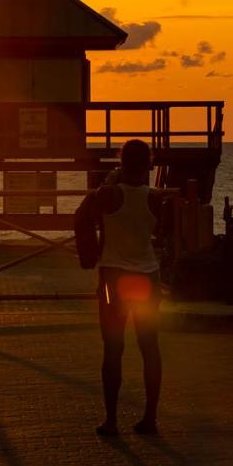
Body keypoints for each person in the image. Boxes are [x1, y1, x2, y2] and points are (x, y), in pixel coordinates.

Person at [94, 139, 164, 437]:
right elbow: (165, 232)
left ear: (121, 162)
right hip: (148, 276)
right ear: (148, 164)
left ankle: (111, 420)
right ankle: (150, 417)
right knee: (150, 348)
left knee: (113, 349)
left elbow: (88, 212)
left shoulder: (109, 194)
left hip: (115, 278)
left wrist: (112, 178)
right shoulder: (155, 198)